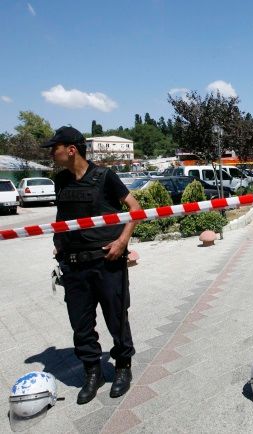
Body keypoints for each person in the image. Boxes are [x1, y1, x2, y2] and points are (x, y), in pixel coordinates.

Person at [42, 126, 141, 405]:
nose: (52, 153)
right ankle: (92, 372)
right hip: (74, 266)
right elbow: (63, 216)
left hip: (106, 262)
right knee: (81, 325)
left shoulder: (105, 176)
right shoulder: (60, 181)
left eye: (55, 147)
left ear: (71, 149)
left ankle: (122, 367)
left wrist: (122, 241)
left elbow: (135, 208)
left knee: (116, 318)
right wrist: (60, 241)